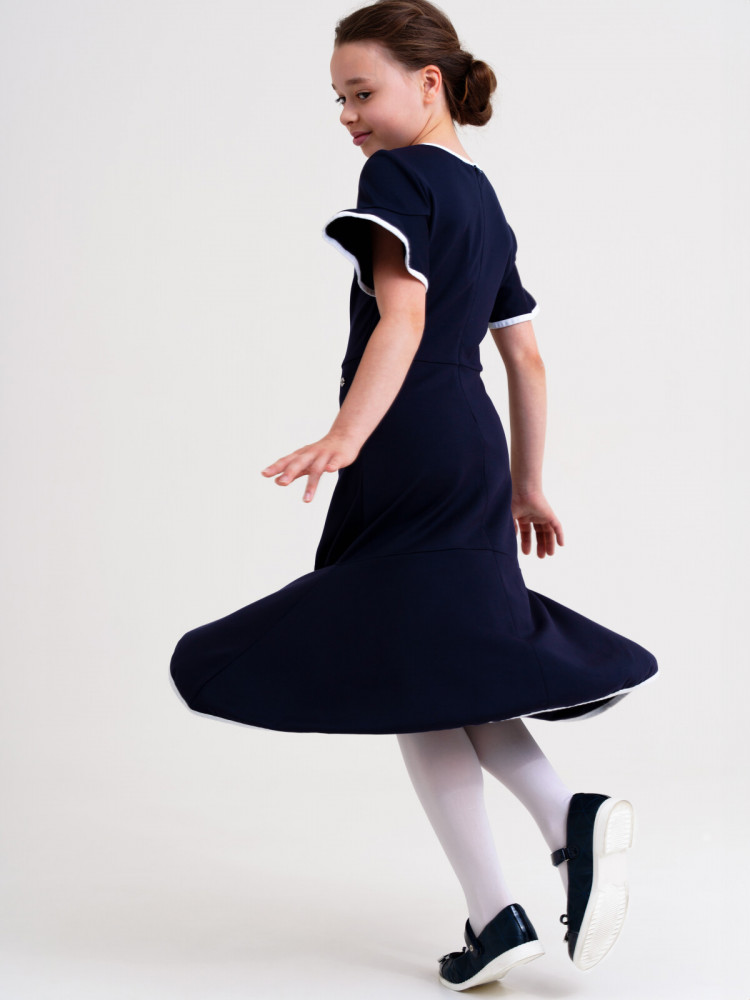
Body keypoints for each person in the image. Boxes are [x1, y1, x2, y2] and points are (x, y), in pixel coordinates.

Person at [169, 0, 659, 990]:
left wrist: (345, 437)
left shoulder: (396, 175)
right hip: (470, 444)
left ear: (428, 83)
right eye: (339, 100)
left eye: (363, 93)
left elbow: (403, 319)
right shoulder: (484, 198)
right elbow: (526, 359)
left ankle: (560, 823)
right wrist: (526, 481)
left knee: (416, 662)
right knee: (434, 668)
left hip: (407, 437)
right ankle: (499, 910)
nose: (349, 117)